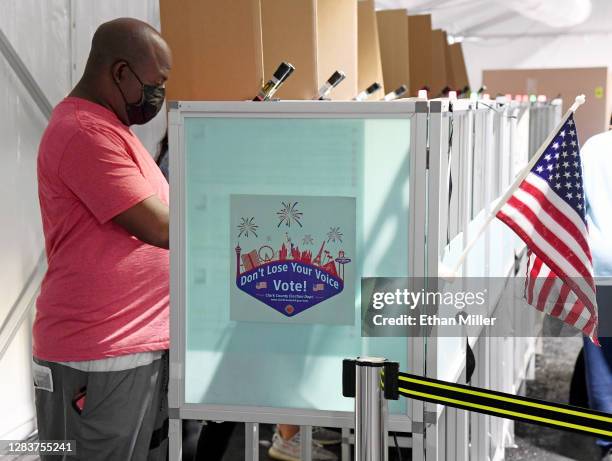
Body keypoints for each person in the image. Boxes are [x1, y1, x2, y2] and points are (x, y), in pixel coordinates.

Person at [34, 18, 171, 460]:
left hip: (129, 346)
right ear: (120, 72)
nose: (159, 96)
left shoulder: (114, 132)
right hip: (99, 352)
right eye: (157, 83)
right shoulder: (83, 132)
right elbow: (159, 227)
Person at [581, 129, 612, 461]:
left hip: (600, 263)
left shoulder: (594, 146)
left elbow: (576, 204)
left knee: (601, 353)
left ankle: (608, 443)